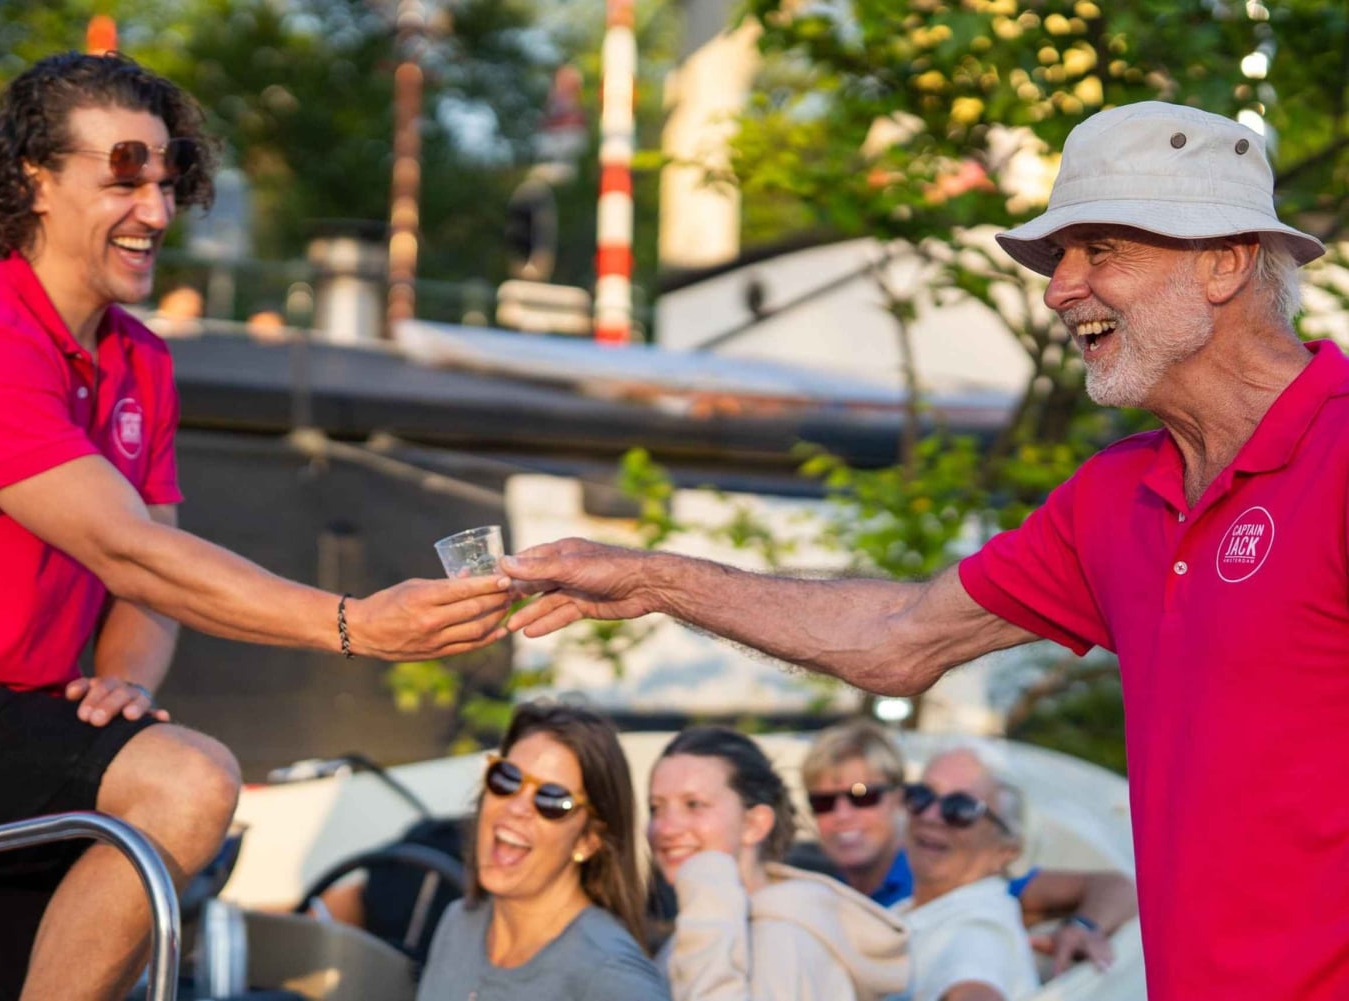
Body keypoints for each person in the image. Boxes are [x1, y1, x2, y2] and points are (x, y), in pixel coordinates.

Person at [502, 100, 1338, 1000]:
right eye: (1060, 258)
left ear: (1224, 261)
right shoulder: (1115, 495)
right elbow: (899, 635)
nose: (1059, 289)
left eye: (1101, 251)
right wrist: (653, 576)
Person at [0, 52, 510, 1001]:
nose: (157, 212)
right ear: (35, 179)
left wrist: (117, 689)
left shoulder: (142, 362)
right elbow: (134, 552)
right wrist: (355, 625)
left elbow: (140, 584)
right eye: (123, 175)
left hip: (20, 724)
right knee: (189, 780)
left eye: (168, 178)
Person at [801, 719, 1135, 973]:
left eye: (863, 796)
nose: (842, 815)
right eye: (823, 802)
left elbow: (1120, 887)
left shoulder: (955, 881)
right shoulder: (829, 895)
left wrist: (1083, 927)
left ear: (897, 800)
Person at [416, 701, 669, 1001]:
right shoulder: (458, 923)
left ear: (588, 840)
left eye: (552, 800)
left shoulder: (612, 975)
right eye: (507, 778)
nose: (517, 807)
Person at [648, 726, 908, 1001]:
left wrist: (707, 893)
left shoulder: (781, 941)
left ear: (755, 824)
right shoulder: (716, 925)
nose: (665, 828)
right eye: (656, 807)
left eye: (694, 804)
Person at [890, 748, 1039, 1001]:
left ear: (1005, 851)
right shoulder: (919, 910)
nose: (930, 816)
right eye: (922, 796)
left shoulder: (979, 930)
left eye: (961, 808)